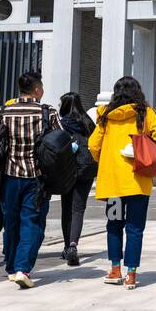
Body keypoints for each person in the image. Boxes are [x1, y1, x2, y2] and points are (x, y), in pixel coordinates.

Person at [88, 75, 156, 290]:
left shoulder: (105, 116)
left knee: (114, 225)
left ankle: (115, 269)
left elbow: (93, 144)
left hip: (113, 183)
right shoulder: (145, 113)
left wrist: (105, 160)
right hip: (138, 182)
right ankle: (131, 274)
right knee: (135, 228)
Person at [0, 71, 61, 289]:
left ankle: (12, 267)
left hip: (8, 176)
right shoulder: (47, 111)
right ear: (36, 90)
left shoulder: (2, 111)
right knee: (32, 222)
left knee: (11, 222)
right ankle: (23, 268)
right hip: (37, 177)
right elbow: (61, 141)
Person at [58, 91, 97, 266]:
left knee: (67, 208)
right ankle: (74, 244)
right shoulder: (88, 122)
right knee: (78, 209)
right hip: (87, 167)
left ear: (65, 105)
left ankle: (68, 247)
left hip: (68, 169)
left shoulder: (62, 123)